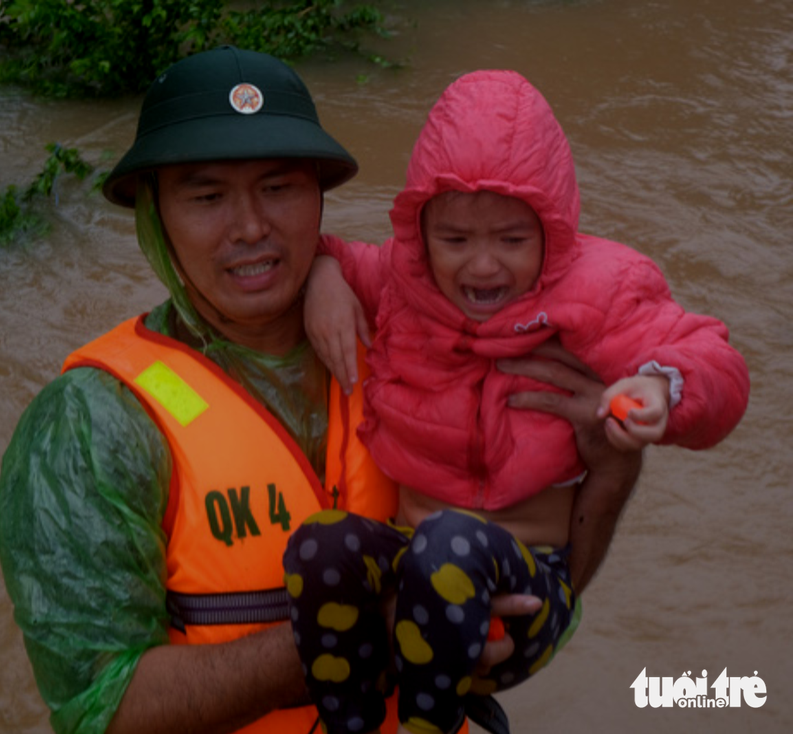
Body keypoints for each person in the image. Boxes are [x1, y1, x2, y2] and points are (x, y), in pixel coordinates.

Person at [0, 49, 644, 734]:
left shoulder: (424, 344)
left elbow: (544, 590)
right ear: (154, 214)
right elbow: (102, 709)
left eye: (279, 188)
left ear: (320, 198)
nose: (250, 227)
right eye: (207, 196)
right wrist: (373, 628)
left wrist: (611, 467)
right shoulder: (92, 421)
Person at [284, 69, 751, 734]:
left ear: (553, 232)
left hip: (532, 585)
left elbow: (714, 362)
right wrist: (326, 277)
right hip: (416, 563)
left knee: (447, 543)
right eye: (455, 241)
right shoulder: (399, 277)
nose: (482, 267)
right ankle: (349, 724)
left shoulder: (599, 286)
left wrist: (657, 388)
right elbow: (322, 251)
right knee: (319, 546)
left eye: (511, 240)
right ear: (420, 233)